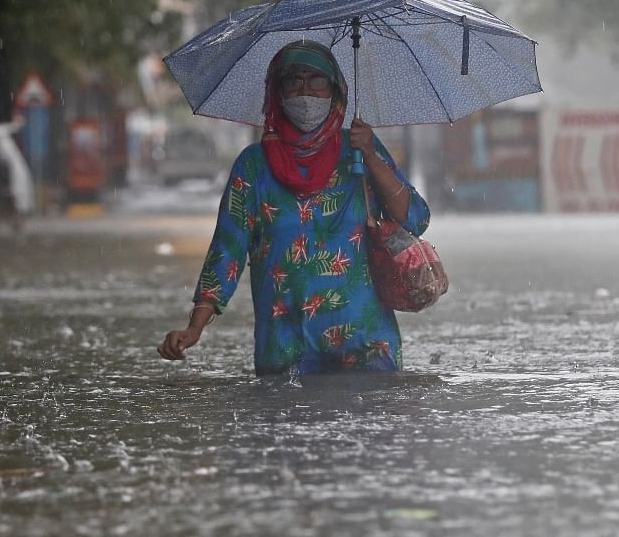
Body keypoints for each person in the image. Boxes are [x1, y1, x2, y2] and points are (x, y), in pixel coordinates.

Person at [157, 40, 431, 374]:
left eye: (317, 80)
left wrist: (371, 156)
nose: (305, 92)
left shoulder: (360, 151)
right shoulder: (253, 167)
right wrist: (195, 327)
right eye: (293, 81)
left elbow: (415, 218)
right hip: (286, 347)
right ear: (277, 92)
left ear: (336, 92)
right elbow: (226, 252)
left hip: (366, 345)